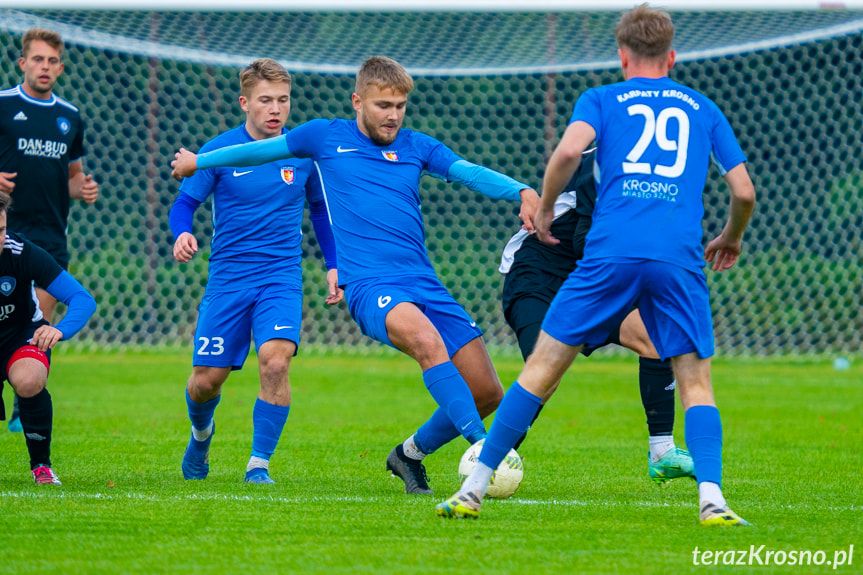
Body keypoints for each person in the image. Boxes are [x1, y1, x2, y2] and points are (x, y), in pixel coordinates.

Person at [438, 3, 756, 526]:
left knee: (540, 372)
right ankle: (713, 501)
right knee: (697, 383)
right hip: (676, 258)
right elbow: (742, 189)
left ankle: (472, 490)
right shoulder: (703, 108)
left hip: (608, 254)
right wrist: (731, 236)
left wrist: (543, 207)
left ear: (622, 56)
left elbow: (567, 155)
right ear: (672, 57)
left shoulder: (602, 99)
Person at [172, 56, 540, 495]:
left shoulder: (417, 146)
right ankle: (483, 452)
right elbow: (260, 150)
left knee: (486, 390)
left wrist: (521, 189)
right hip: (370, 286)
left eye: (401, 105)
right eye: (384, 105)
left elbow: (468, 173)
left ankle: (408, 456)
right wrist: (201, 161)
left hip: (423, 282)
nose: (393, 115)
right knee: (426, 342)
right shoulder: (325, 136)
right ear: (357, 101)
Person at [170, 59, 342, 484]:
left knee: (276, 360)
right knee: (206, 382)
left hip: (280, 277)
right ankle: (201, 434)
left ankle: (258, 464)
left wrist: (335, 266)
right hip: (228, 279)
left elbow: (321, 213)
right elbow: (184, 204)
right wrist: (181, 233)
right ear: (245, 102)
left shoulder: (302, 155)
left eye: (282, 100)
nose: (275, 109)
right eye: (265, 100)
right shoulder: (219, 151)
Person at [500, 148, 693, 483]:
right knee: (544, 371)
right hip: (539, 276)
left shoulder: (657, 174)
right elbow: (584, 242)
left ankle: (662, 451)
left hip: (590, 278)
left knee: (653, 336)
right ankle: (491, 458)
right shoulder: (602, 161)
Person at [0, 27, 99, 433]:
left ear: (61, 67)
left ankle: (27, 404)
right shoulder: (3, 105)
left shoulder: (70, 117)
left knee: (40, 319)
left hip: (49, 234)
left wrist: (83, 188)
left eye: (52, 61)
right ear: (22, 63)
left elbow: (72, 176)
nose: (45, 67)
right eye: (37, 59)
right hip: (7, 231)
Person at [0, 191, 97, 484]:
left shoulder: (21, 251)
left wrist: (59, 329)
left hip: (20, 337)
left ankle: (41, 466)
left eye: (1, 230)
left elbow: (82, 298)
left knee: (30, 380)